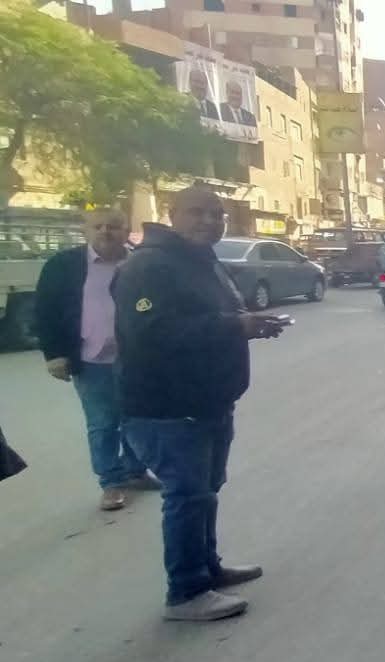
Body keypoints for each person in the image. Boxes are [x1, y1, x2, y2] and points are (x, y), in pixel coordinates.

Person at [115, 185, 288, 621]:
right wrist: (234, 326)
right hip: (169, 408)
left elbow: (213, 318)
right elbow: (152, 332)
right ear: (171, 213)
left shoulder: (201, 260)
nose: (209, 221)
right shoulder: (150, 265)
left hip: (209, 401)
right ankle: (186, 592)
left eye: (217, 214)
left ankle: (208, 568)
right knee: (188, 496)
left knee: (205, 492)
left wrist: (249, 325)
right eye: (197, 212)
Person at [35, 208, 156, 511]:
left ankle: (136, 471)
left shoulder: (143, 264)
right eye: (97, 226)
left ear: (126, 230)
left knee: (138, 419)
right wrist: (54, 354)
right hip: (92, 360)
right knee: (103, 423)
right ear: (85, 230)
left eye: (113, 226)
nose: (105, 231)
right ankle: (111, 482)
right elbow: (46, 311)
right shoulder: (63, 266)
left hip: (138, 359)